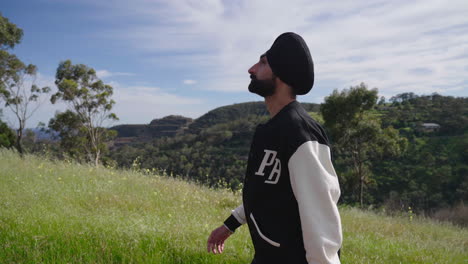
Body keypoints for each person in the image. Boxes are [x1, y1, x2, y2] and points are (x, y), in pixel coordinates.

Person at [207, 32, 342, 264]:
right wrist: (230, 224)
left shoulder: (301, 133)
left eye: (262, 63)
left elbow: (321, 215)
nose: (251, 69)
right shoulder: (275, 129)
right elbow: (267, 191)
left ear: (281, 72)